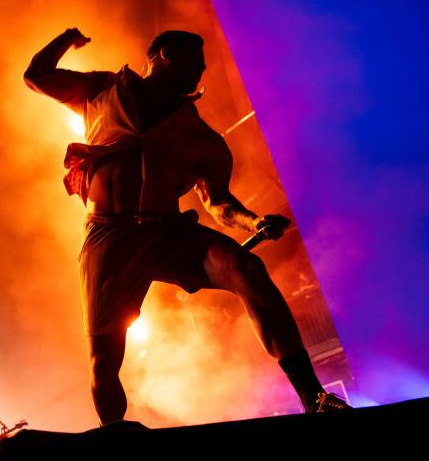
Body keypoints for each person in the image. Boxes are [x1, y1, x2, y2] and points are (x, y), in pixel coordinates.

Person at [23, 28, 350, 425]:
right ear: (163, 56)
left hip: (168, 232)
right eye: (195, 61)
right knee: (102, 361)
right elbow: (36, 76)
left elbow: (219, 202)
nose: (202, 71)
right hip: (110, 236)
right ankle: (115, 443)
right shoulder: (102, 91)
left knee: (246, 269)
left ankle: (313, 397)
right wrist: (65, 39)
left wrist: (254, 221)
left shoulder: (199, 136)